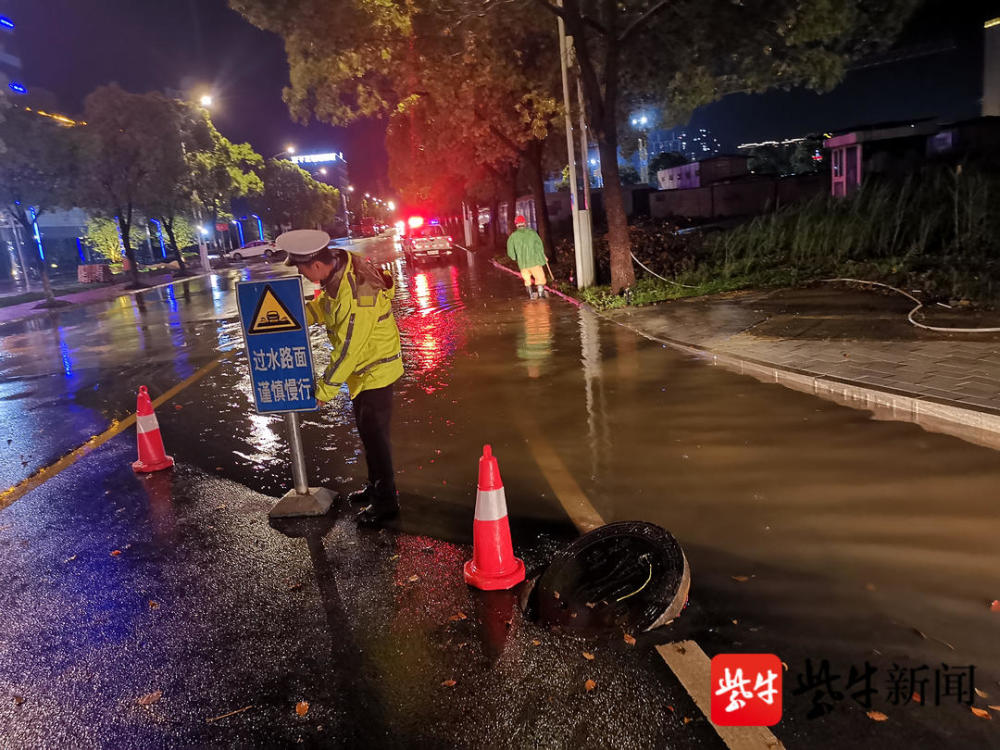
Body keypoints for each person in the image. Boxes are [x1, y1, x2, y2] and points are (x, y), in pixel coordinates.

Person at [277, 229, 404, 526]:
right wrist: (304, 314)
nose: (302, 273)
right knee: (368, 434)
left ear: (317, 265)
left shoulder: (357, 292)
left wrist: (323, 391)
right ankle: (375, 489)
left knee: (376, 440)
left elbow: (349, 350)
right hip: (364, 371)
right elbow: (328, 307)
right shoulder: (339, 268)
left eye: (301, 268)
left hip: (375, 370)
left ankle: (386, 504)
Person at [506, 215, 548, 299]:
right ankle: (541, 296)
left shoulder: (513, 237)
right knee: (540, 278)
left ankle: (531, 296)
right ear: (525, 223)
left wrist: (515, 258)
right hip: (535, 262)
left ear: (516, 224)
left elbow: (510, 252)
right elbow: (539, 247)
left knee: (527, 280)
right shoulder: (532, 233)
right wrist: (543, 258)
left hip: (522, 264)